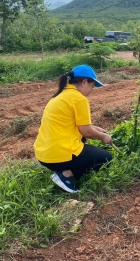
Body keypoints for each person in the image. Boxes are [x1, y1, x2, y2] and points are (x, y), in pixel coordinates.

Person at [34, 65, 113, 193]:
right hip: (59, 155)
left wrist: (96, 128)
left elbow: (73, 124)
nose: (92, 90)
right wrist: (103, 137)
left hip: (44, 155)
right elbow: (86, 131)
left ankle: (64, 169)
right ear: (84, 82)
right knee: (106, 158)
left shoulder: (61, 95)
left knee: (83, 142)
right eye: (92, 86)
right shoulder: (79, 99)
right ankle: (66, 175)